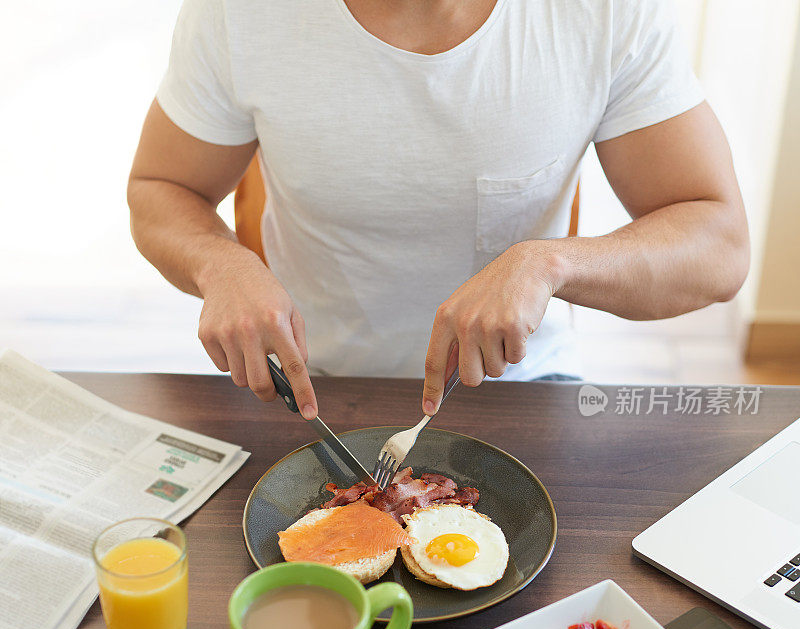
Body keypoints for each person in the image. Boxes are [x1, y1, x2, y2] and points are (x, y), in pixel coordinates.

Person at [128, 0, 749, 421]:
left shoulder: (603, 13)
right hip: (309, 391)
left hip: (522, 391)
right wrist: (219, 266)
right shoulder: (242, 14)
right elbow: (161, 186)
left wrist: (549, 265)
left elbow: (718, 242)